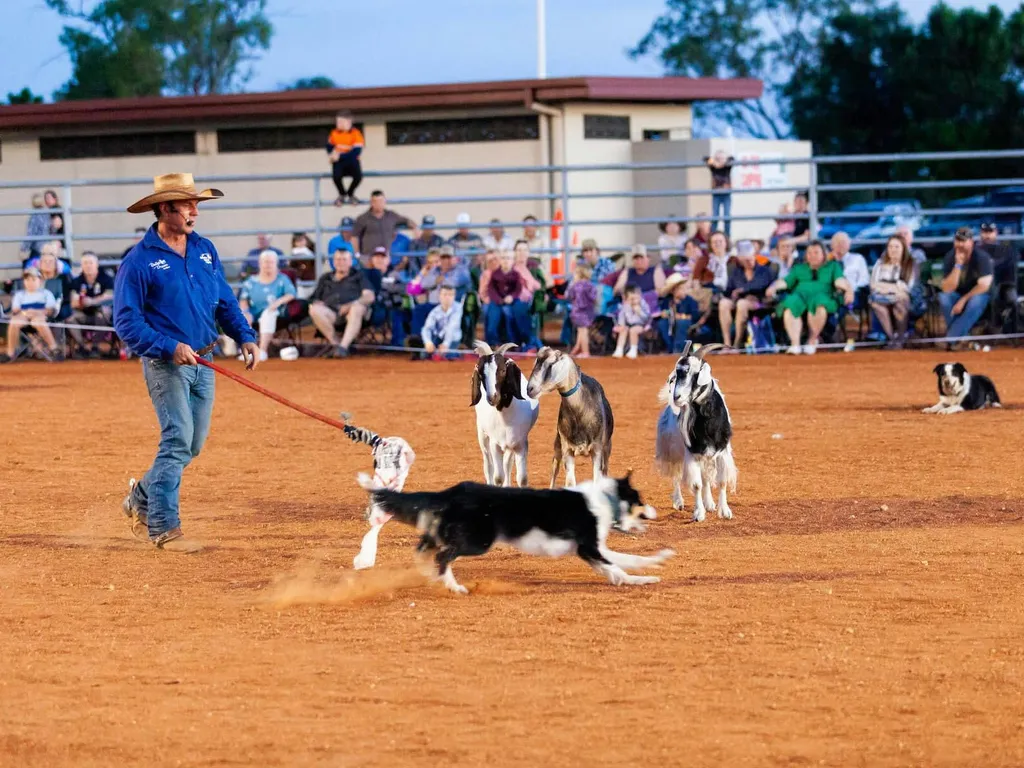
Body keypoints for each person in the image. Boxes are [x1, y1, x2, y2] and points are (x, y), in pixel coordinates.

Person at [114, 173, 260, 553]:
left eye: (196, 204)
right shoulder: (139, 261)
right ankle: (163, 527)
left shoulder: (204, 249)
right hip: (168, 364)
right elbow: (127, 323)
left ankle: (139, 498)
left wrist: (244, 334)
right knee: (178, 439)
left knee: (190, 445)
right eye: (187, 205)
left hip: (205, 357)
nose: (195, 211)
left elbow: (224, 300)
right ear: (165, 209)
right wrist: (167, 346)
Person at [767, 239, 853, 355]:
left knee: (819, 303)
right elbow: (786, 282)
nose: (812, 256)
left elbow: (840, 281)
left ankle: (811, 341)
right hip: (800, 296)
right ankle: (795, 344)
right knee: (791, 304)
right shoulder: (799, 268)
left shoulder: (833, 266)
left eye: (816, 253)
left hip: (823, 296)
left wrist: (849, 290)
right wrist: (773, 287)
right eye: (809, 253)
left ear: (823, 254)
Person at [308, 249, 374, 358]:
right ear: (333, 262)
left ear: (350, 262)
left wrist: (350, 305)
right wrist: (317, 303)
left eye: (344, 259)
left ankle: (343, 347)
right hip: (332, 313)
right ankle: (336, 345)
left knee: (357, 308)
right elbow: (314, 298)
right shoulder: (325, 278)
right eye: (338, 259)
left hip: (353, 313)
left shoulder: (358, 276)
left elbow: (369, 296)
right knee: (314, 309)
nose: (341, 262)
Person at [938, 227, 993, 347]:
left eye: (964, 241)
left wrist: (963, 300)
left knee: (975, 301)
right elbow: (947, 289)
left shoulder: (981, 257)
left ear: (971, 241)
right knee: (944, 298)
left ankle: (951, 339)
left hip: (978, 294)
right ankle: (963, 338)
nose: (961, 244)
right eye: (958, 240)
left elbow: (984, 286)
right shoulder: (950, 257)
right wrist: (958, 265)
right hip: (957, 294)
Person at [238, 250, 297, 361]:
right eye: (265, 262)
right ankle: (249, 351)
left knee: (268, 314)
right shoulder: (250, 281)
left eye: (271, 262)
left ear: (276, 264)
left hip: (275, 313)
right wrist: (245, 311)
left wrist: (277, 303)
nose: (268, 265)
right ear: (260, 263)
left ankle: (262, 351)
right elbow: (243, 299)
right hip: (254, 313)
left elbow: (291, 294)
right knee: (243, 317)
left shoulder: (282, 279)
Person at [719, 240, 773, 349]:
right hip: (738, 299)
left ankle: (737, 343)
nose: (748, 262)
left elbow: (761, 285)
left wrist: (742, 290)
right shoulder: (736, 271)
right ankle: (727, 343)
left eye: (750, 258)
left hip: (758, 301)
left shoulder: (764, 270)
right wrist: (731, 294)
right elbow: (729, 288)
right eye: (745, 260)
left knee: (742, 304)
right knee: (724, 303)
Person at [1, 266, 61, 363]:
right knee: (14, 322)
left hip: (40, 317)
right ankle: (10, 353)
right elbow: (16, 310)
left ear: (40, 281)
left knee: (38, 322)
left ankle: (54, 349)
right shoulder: (20, 295)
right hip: (24, 317)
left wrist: (36, 312)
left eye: (33, 279)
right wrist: (26, 313)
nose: (30, 282)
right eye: (27, 280)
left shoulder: (46, 293)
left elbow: (50, 310)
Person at [869, 235, 916, 348]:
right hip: (881, 299)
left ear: (903, 248)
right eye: (890, 247)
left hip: (903, 298)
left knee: (900, 303)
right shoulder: (880, 264)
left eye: (896, 247)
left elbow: (907, 287)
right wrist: (894, 287)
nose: (893, 250)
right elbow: (873, 285)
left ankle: (900, 337)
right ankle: (892, 337)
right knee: (875, 304)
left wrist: (884, 286)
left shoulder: (910, 264)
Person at [67, 251, 115, 358]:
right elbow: (73, 301)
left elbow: (109, 296)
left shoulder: (106, 278)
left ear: (96, 264)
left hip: (102, 315)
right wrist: (80, 303)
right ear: (81, 265)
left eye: (90, 263)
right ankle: (82, 346)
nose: (88, 265)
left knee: (103, 313)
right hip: (84, 313)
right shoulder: (77, 281)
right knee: (70, 317)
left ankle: (95, 346)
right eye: (85, 263)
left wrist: (91, 301)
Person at [352, 191, 418, 258]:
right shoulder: (362, 218)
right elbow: (354, 236)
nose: (378, 204)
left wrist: (415, 228)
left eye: (381, 201)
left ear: (384, 202)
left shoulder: (391, 216)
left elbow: (407, 221)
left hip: (385, 258)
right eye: (375, 201)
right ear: (371, 203)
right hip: (368, 258)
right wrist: (357, 254)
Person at [484, 250, 529, 346]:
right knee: (493, 318)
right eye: (503, 258)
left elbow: (518, 289)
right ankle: (493, 343)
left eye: (508, 258)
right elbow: (491, 289)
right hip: (497, 301)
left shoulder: (516, 274)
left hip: (512, 301)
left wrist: (512, 297)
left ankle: (515, 343)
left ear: (513, 261)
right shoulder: (495, 274)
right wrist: (498, 300)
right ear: (500, 260)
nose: (505, 261)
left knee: (512, 316)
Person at [414, 284, 463, 360]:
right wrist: (428, 342)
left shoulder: (459, 309)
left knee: (449, 356)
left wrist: (445, 344)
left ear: (454, 296)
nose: (447, 297)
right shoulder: (435, 311)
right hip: (439, 337)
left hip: (454, 339)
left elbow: (451, 328)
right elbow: (426, 328)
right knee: (424, 355)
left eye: (451, 295)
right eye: (445, 294)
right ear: (439, 296)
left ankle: (458, 354)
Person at [658, 273, 703, 353]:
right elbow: (663, 311)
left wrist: (682, 316)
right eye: (679, 289)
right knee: (662, 323)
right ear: (673, 291)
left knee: (682, 323)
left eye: (683, 288)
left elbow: (695, 315)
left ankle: (678, 350)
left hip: (686, 323)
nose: (682, 291)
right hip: (671, 323)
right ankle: (670, 348)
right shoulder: (668, 300)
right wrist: (665, 313)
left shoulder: (690, 300)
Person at [326, 111, 365, 205]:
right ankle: (342, 194)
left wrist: (339, 156)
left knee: (358, 177)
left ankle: (350, 194)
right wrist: (332, 154)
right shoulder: (334, 133)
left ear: (348, 122)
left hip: (351, 161)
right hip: (339, 162)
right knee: (336, 177)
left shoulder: (356, 134)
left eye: (340, 122)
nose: (337, 124)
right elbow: (329, 146)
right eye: (337, 122)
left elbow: (356, 152)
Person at [566, 263, 597, 357]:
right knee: (583, 331)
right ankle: (579, 349)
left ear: (579, 274)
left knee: (582, 331)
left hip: (577, 312)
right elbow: (594, 297)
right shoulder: (590, 285)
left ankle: (585, 351)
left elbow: (569, 296)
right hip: (587, 312)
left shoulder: (575, 285)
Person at [612, 285, 651, 359]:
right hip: (628, 324)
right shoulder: (626, 306)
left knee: (633, 330)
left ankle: (633, 350)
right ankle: (619, 349)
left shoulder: (643, 305)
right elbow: (622, 316)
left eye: (636, 298)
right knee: (623, 330)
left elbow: (647, 318)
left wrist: (639, 312)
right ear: (627, 299)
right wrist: (621, 325)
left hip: (641, 325)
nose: (634, 301)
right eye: (631, 299)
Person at [705, 150, 735, 236]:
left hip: (726, 193)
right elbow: (705, 159)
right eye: (718, 158)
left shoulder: (727, 167)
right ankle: (712, 235)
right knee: (715, 215)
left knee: (727, 215)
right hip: (716, 194)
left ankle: (727, 236)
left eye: (722, 158)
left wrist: (723, 162)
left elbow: (732, 159)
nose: (720, 160)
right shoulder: (713, 168)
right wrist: (714, 162)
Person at [20, 193, 50, 263]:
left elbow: (31, 234)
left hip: (38, 249)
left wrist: (24, 248)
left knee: (30, 266)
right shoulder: (47, 214)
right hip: (47, 248)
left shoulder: (34, 216)